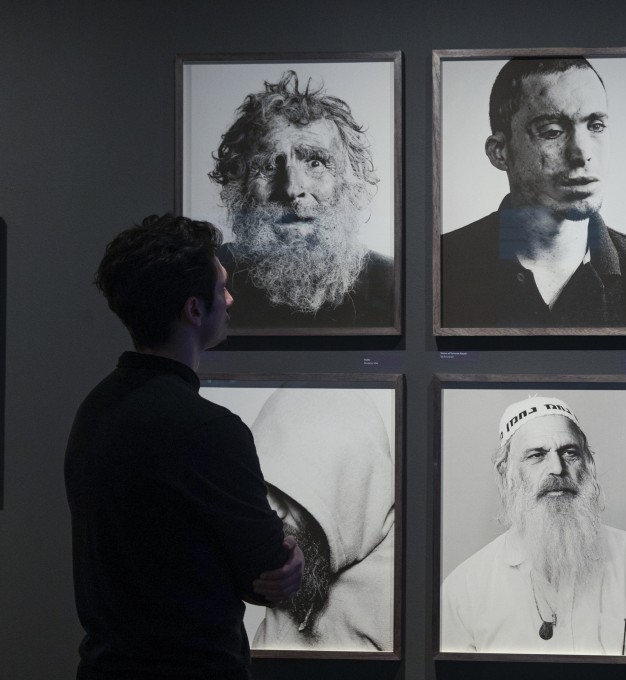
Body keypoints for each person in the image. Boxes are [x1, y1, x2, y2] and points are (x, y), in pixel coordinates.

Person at [65, 214, 304, 679]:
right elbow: (267, 572)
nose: (230, 299)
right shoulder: (208, 429)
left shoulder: (94, 409)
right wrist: (287, 557)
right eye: (222, 288)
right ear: (194, 310)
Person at [441, 57, 626, 329]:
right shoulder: (442, 266)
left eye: (596, 126)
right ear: (500, 151)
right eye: (553, 131)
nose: (582, 153)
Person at [441, 396, 626, 655]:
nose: (557, 468)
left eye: (570, 453)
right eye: (536, 455)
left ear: (587, 465)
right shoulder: (464, 591)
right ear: (508, 474)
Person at [209, 70, 393, 330]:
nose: (292, 188)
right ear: (238, 183)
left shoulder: (391, 282)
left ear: (350, 180)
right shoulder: (206, 277)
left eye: (316, 162)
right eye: (270, 166)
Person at [247, 388, 395, 651]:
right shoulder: (300, 556)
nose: (274, 511)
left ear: (344, 487)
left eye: (288, 492)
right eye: (267, 486)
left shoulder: (397, 590)